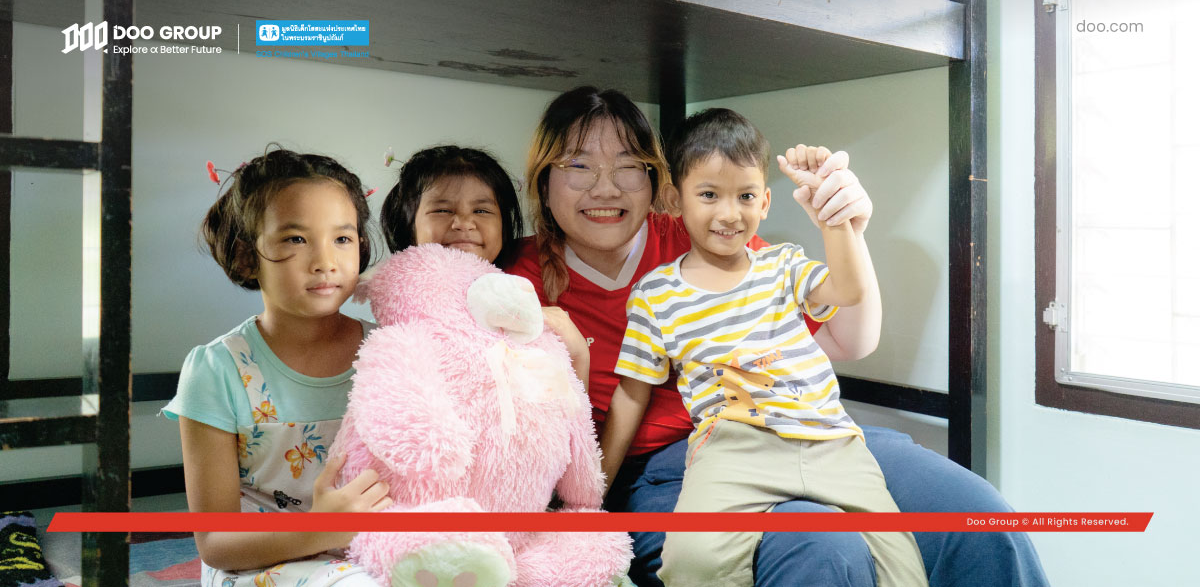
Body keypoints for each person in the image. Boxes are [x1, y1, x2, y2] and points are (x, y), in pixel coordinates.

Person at [505, 86, 1050, 587]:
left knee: (977, 517)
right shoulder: (512, 280)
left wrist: (846, 230)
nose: (605, 187)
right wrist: (583, 504)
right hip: (670, 468)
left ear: (658, 186)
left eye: (628, 166)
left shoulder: (704, 231)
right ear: (543, 181)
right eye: (578, 165)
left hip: (811, 428)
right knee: (819, 545)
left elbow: (850, 340)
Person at [608, 108, 926, 587]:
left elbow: (848, 290)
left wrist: (832, 218)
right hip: (732, 448)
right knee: (691, 560)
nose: (729, 213)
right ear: (674, 200)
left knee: (901, 568)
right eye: (709, 195)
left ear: (766, 202)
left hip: (830, 442)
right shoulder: (655, 295)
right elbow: (632, 392)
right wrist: (594, 491)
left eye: (746, 196)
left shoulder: (784, 265)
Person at [163, 148, 391, 587]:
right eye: (296, 239)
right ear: (246, 256)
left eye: (342, 239)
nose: (325, 261)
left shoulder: (389, 351)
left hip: (371, 551)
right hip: (260, 564)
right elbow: (215, 543)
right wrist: (319, 530)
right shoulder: (218, 370)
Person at [379, 144, 591, 389]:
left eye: (481, 210)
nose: (464, 223)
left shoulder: (518, 296)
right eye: (442, 210)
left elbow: (563, 404)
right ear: (407, 223)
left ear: (504, 225)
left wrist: (579, 355)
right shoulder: (401, 303)